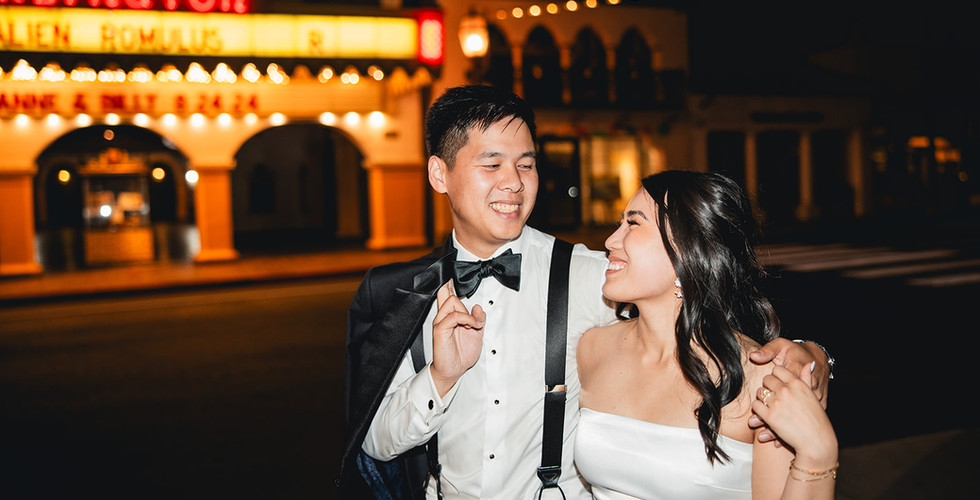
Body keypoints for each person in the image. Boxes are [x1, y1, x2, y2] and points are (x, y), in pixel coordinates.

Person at [339, 85, 831, 499]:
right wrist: (441, 378)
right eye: (492, 165)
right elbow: (376, 443)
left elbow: (701, 312)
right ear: (439, 174)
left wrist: (813, 357)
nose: (514, 183)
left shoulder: (593, 276)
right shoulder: (407, 293)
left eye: (526, 165)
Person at [575, 171, 838, 499]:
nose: (611, 241)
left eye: (634, 223)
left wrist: (818, 453)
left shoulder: (761, 379)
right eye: (620, 223)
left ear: (687, 251)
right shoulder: (592, 348)